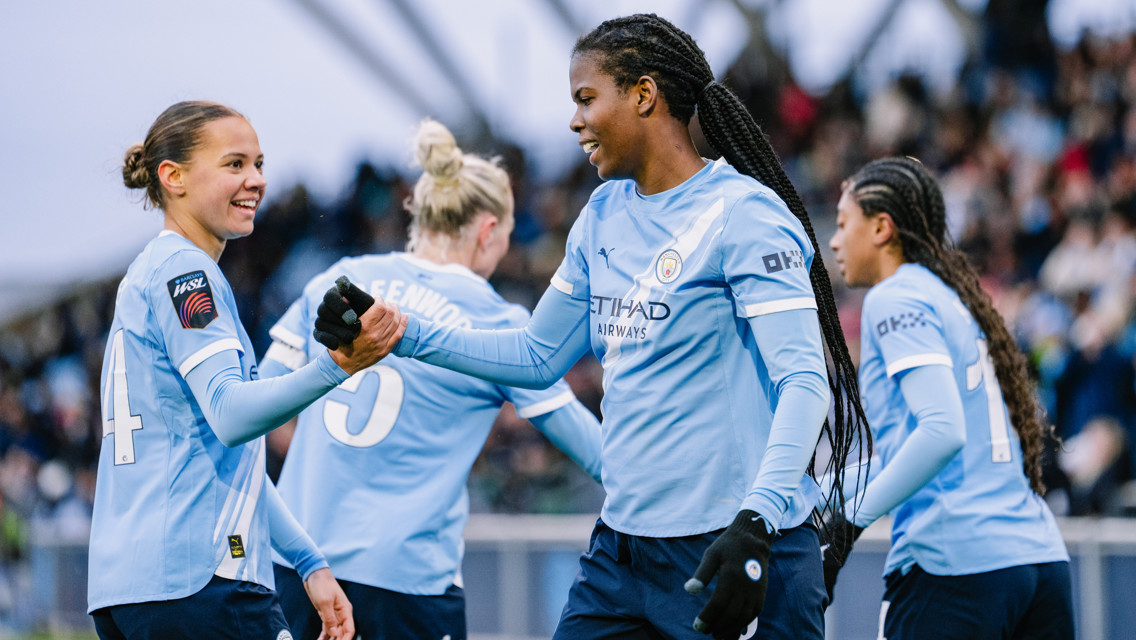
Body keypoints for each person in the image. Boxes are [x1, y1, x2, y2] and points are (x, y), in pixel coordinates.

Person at [366, 13, 871, 640]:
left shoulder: (744, 215)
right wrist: (401, 334)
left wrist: (757, 521)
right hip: (622, 555)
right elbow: (536, 356)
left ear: (643, 95)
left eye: (586, 98)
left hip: (732, 549)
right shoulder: (602, 213)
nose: (574, 120)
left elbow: (804, 381)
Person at [260, 118, 603, 640]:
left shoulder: (339, 280)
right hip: (405, 585)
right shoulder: (500, 322)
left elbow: (254, 407)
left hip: (296, 571)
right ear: (489, 230)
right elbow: (595, 453)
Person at [88, 101, 403, 640]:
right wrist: (340, 365)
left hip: (130, 591)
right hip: (202, 580)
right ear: (174, 177)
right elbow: (232, 416)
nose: (256, 180)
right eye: (234, 164)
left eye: (258, 164)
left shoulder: (147, 274)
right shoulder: (187, 272)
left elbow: (228, 459)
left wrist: (308, 561)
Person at [823, 156, 1073, 639]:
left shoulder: (895, 297)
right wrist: (820, 493)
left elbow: (941, 433)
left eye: (842, 223)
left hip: (955, 565)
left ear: (881, 228)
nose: (834, 241)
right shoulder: (952, 298)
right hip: (1039, 559)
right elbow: (915, 452)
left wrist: (846, 526)